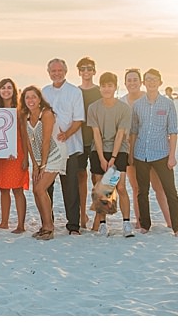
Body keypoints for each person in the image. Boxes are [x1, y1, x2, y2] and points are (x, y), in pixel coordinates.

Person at [129, 69, 178, 236]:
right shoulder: (138, 105)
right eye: (148, 80)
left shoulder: (168, 104)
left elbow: (173, 131)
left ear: (160, 82)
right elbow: (133, 131)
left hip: (162, 154)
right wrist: (131, 154)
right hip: (141, 154)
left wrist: (172, 156)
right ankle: (145, 225)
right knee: (142, 191)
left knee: (170, 190)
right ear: (144, 83)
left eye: (154, 79)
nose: (151, 82)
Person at [121, 69, 171, 229]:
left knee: (159, 188)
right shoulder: (122, 103)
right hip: (130, 150)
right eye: (129, 80)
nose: (132, 83)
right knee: (137, 188)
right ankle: (140, 221)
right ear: (125, 83)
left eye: (135, 79)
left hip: (153, 150)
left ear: (140, 82)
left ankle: (170, 222)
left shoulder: (149, 99)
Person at [86, 72, 134, 237]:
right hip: (99, 150)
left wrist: (112, 159)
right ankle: (103, 224)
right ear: (100, 88)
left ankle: (126, 223)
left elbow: (121, 134)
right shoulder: (93, 108)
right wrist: (101, 158)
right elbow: (96, 134)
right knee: (101, 188)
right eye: (104, 86)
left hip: (119, 150)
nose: (107, 89)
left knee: (120, 187)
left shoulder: (124, 109)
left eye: (110, 86)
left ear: (115, 87)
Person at [42, 58, 84, 236]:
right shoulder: (44, 91)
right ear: (49, 72)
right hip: (49, 148)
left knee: (70, 188)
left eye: (60, 70)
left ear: (65, 72)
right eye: (53, 71)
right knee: (47, 187)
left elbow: (79, 119)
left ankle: (73, 225)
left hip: (71, 146)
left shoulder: (74, 92)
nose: (56, 73)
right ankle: (47, 222)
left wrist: (66, 134)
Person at [21, 85, 67, 241]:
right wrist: (34, 164)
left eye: (34, 97)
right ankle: (44, 225)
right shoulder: (25, 116)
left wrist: (43, 165)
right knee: (36, 190)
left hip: (54, 154)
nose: (31, 100)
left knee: (40, 189)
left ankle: (49, 227)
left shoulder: (46, 114)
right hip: (39, 157)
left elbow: (46, 141)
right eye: (27, 97)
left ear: (39, 99)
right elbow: (28, 142)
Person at [0, 78, 29, 234]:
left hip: (17, 153)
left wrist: (26, 157)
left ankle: (21, 225)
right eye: (3, 88)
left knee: (17, 189)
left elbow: (24, 135)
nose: (6, 90)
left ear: (14, 90)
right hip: (0, 154)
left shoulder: (19, 110)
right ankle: (4, 222)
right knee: (3, 189)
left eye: (9, 88)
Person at [76, 57, 101, 229]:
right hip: (79, 140)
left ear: (94, 71)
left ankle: (100, 217)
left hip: (97, 141)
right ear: (79, 71)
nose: (86, 71)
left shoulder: (101, 91)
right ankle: (82, 214)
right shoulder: (75, 91)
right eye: (83, 68)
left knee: (98, 178)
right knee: (80, 177)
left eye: (89, 68)